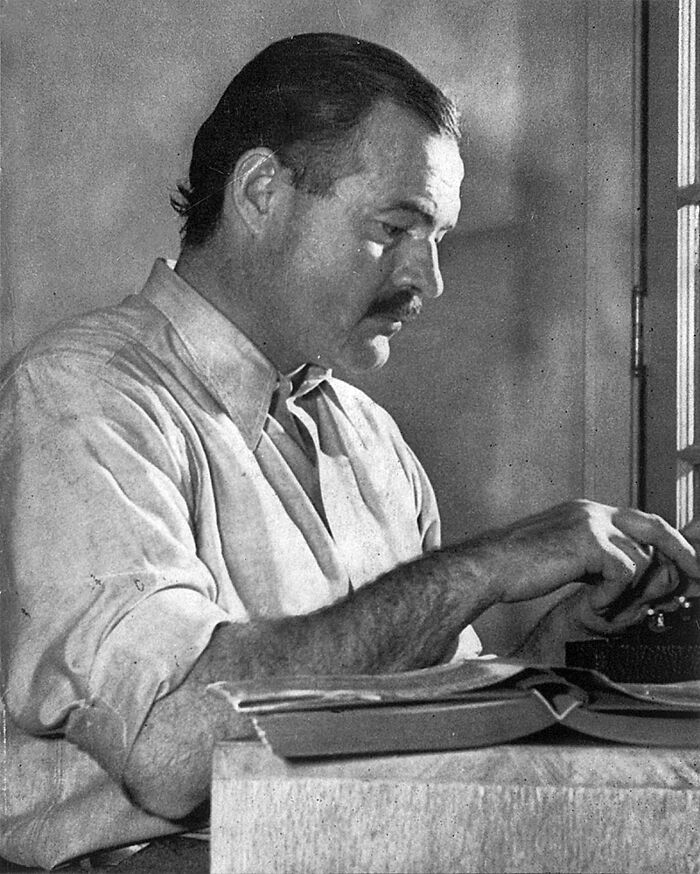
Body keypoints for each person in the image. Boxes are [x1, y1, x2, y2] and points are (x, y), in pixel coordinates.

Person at [1, 32, 698, 870]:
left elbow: (407, 713)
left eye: (436, 235)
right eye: (396, 226)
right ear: (262, 191)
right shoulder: (81, 394)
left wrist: (549, 651)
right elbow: (172, 753)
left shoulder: (369, 437)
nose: (428, 279)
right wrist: (482, 568)